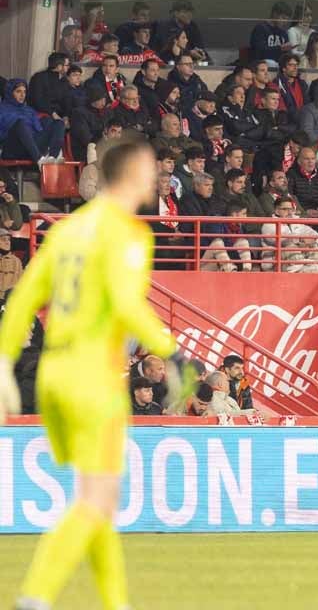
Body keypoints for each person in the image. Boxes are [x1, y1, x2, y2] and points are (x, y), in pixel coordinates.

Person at [0, 140, 183, 610]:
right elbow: (125, 303)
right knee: (96, 499)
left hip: (53, 374)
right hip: (92, 377)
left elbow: (21, 300)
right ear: (133, 173)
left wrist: (2, 363)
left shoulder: (68, 229)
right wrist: (172, 351)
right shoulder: (127, 234)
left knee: (97, 498)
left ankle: (115, 604)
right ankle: (36, 596)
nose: (158, 175)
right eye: (152, 168)